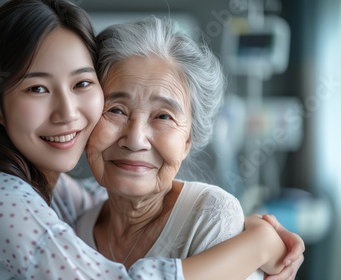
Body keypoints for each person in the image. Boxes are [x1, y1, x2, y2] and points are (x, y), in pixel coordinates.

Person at [0, 0, 303, 279]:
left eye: (81, 83)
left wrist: (243, 223)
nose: (67, 113)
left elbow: (121, 198)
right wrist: (261, 245)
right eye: (36, 89)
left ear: (189, 140)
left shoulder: (55, 193)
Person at [76, 15, 303, 280]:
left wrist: (264, 242)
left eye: (163, 116)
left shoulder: (210, 217)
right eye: (115, 110)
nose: (135, 139)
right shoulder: (76, 223)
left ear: (187, 141)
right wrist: (262, 242)